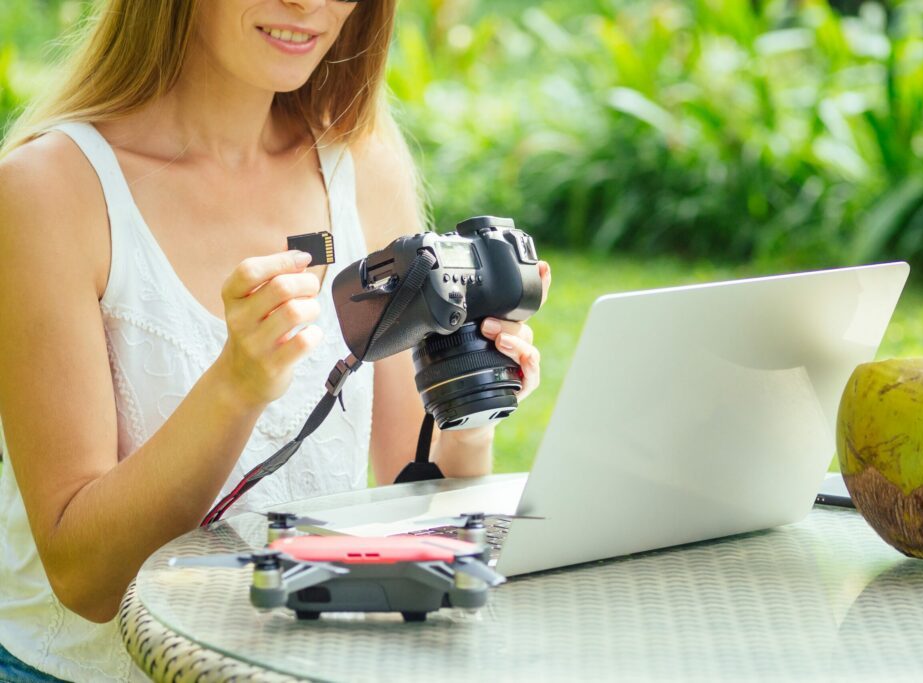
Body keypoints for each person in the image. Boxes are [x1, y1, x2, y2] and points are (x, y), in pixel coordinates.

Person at [0, 1, 551, 680]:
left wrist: (467, 410)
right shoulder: (46, 191)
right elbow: (83, 578)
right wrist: (235, 385)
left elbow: (418, 499)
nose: (309, 4)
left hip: (305, 665)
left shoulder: (361, 165)